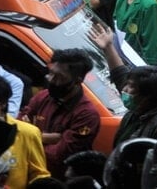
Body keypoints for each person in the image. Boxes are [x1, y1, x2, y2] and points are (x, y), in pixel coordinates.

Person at [19, 49, 100, 180]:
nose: (51, 80)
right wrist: (48, 137)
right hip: (25, 172)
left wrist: (29, 135)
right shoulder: (43, 96)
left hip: (55, 180)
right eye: (51, 73)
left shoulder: (87, 115)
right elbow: (18, 128)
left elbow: (58, 156)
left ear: (77, 80)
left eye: (59, 77)